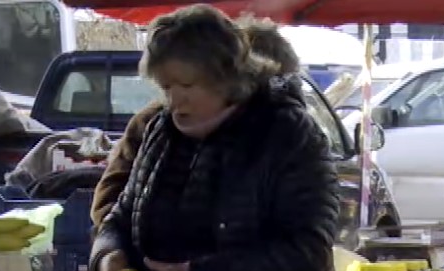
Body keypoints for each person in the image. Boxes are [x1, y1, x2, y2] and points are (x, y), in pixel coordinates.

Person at [89, 5, 348, 271]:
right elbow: (119, 215)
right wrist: (109, 257)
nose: (174, 100)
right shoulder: (160, 133)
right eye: (166, 87)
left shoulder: (287, 134)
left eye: (186, 85)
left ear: (225, 77)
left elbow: (306, 247)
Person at [91, 16, 302, 227]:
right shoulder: (154, 124)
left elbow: (304, 233)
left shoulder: (289, 133)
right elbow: (110, 200)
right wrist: (120, 251)